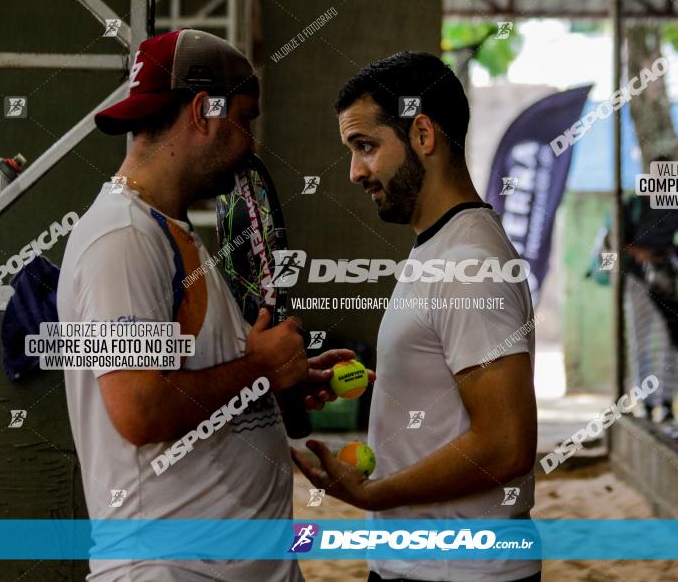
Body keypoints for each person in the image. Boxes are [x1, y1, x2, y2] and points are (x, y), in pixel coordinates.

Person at [58, 29, 353, 581]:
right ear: (204, 111)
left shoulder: (166, 232)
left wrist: (281, 375)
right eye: (247, 118)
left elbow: (204, 380)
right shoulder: (121, 239)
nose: (251, 143)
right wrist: (260, 366)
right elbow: (139, 410)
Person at [292, 52, 541, 582]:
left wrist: (373, 495)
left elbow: (506, 444)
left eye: (365, 147)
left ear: (423, 135)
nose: (356, 172)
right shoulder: (439, 248)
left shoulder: (470, 263)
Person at [620, 157, 678, 421]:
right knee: (642, 343)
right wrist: (646, 255)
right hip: (639, 281)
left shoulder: (677, 206)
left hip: (669, 283)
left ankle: (667, 402)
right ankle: (646, 403)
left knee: (671, 340)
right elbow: (620, 242)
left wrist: (671, 259)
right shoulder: (634, 204)